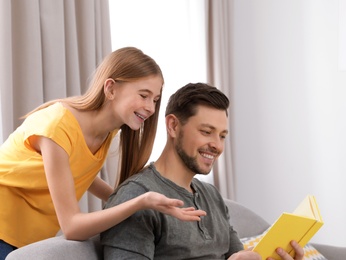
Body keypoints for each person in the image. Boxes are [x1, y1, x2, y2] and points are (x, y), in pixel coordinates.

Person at [0, 47, 205, 260]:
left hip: (26, 241)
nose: (151, 108)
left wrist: (124, 198)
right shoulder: (57, 128)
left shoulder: (106, 131)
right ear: (111, 88)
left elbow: (78, 170)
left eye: (155, 99)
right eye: (144, 95)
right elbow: (71, 227)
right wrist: (140, 201)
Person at [101, 83, 304, 260]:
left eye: (222, 136)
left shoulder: (212, 197)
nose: (217, 145)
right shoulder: (137, 197)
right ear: (173, 126)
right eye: (206, 132)